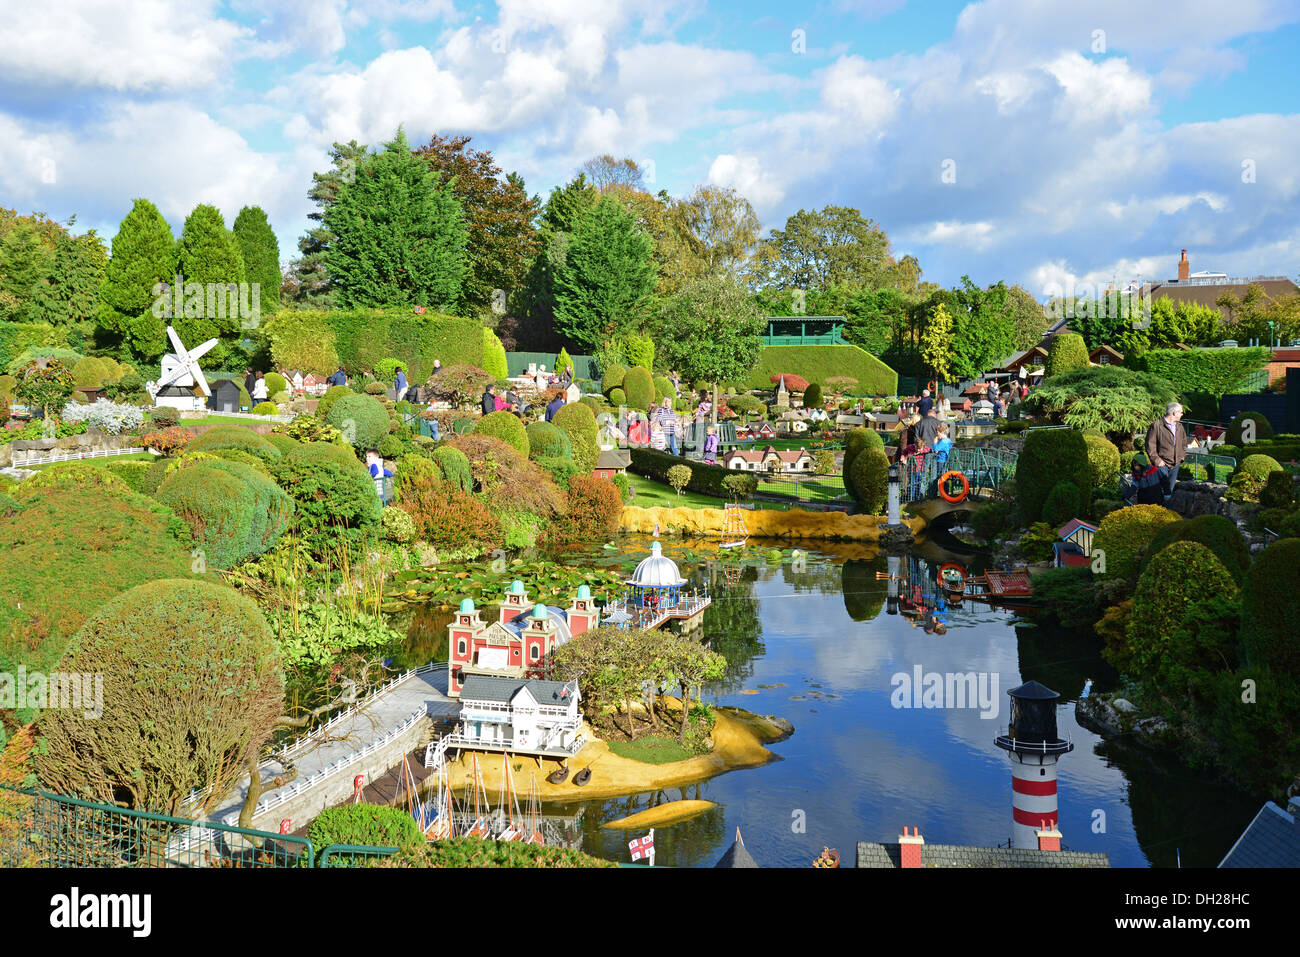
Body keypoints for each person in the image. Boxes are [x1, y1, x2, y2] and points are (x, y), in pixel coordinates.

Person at [1144, 401, 1188, 501]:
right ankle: (1156, 513)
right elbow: (1150, 445)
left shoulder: (1180, 427)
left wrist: (1181, 457)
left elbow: (1184, 443)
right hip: (1161, 465)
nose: (1182, 414)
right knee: (1159, 492)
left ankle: (1165, 514)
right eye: (1181, 412)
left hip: (1175, 464)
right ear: (1174, 413)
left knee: (1169, 494)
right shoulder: (1156, 425)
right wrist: (1157, 460)